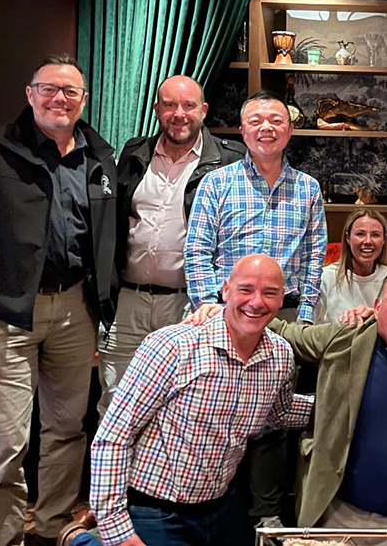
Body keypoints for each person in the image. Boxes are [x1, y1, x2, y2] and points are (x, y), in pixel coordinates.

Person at [0, 54, 117, 546]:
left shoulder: (99, 157)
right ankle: (4, 540)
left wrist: (101, 302)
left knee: (67, 430)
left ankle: (53, 528)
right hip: (0, 316)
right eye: (48, 89)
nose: (59, 99)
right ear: (30, 94)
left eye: (70, 91)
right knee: (5, 446)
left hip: (74, 310)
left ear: (84, 99)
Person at [90, 254, 314, 546]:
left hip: (223, 505)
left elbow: (281, 413)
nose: (256, 302)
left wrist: (350, 404)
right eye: (246, 289)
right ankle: (83, 538)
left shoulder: (279, 356)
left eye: (269, 293)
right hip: (155, 509)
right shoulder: (172, 346)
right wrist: (116, 530)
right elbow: (114, 437)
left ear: (282, 298)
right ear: (226, 290)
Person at [184, 89, 327, 527]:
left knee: (273, 414)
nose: (267, 128)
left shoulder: (308, 188)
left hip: (282, 317)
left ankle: (267, 516)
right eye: (256, 121)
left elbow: (314, 257)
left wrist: (303, 318)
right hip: (225, 316)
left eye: (276, 120)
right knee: (216, 410)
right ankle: (209, 507)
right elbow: (197, 251)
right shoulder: (216, 183)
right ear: (243, 131)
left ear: (290, 130)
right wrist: (208, 305)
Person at [268, 266, 387, 545]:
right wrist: (222, 312)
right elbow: (285, 334)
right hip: (338, 515)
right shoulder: (345, 339)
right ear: (377, 306)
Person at [98, 75, 245, 418]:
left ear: (203, 110)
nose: (179, 114)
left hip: (187, 305)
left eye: (188, 105)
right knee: (115, 404)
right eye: (169, 105)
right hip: (128, 303)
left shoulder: (229, 160)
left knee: (182, 408)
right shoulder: (134, 153)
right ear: (157, 109)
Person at [315, 209, 387, 324]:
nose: (368, 241)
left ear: (384, 240)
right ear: (348, 238)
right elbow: (305, 327)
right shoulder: (324, 278)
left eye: (375, 235)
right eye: (360, 234)